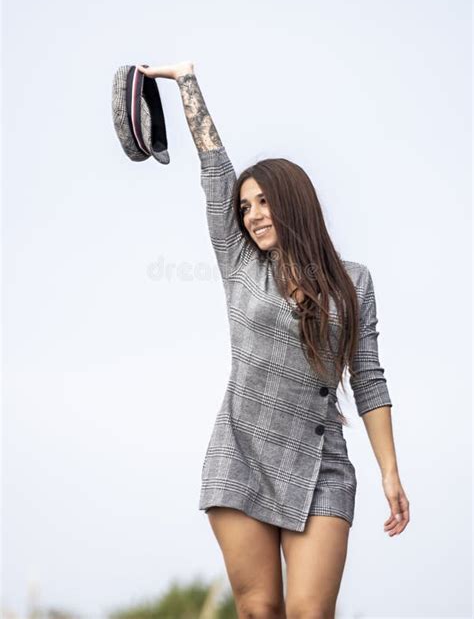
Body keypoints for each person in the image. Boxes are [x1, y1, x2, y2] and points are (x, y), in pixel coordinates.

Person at [137, 61, 410, 619]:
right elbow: (216, 170)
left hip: (321, 465)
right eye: (246, 206)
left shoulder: (353, 281)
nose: (254, 215)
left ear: (293, 201)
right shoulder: (240, 264)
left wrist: (389, 470)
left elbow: (369, 377)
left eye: (264, 202)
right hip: (241, 454)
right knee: (260, 609)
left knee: (309, 612)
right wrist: (186, 81)